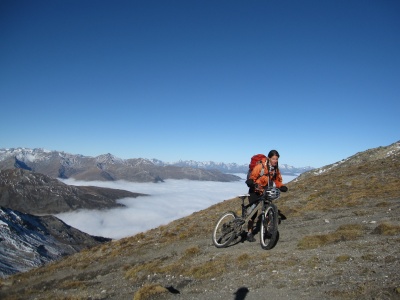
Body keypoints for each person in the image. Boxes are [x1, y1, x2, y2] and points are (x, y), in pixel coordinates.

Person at [244, 149, 288, 242]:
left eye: (276, 159)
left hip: (266, 191)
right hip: (255, 191)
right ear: (269, 158)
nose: (275, 161)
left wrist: (281, 186)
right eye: (273, 159)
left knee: (268, 211)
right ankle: (249, 233)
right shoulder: (260, 166)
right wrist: (251, 181)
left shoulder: (275, 169)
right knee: (253, 214)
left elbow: (277, 180)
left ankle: (268, 231)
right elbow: (253, 176)